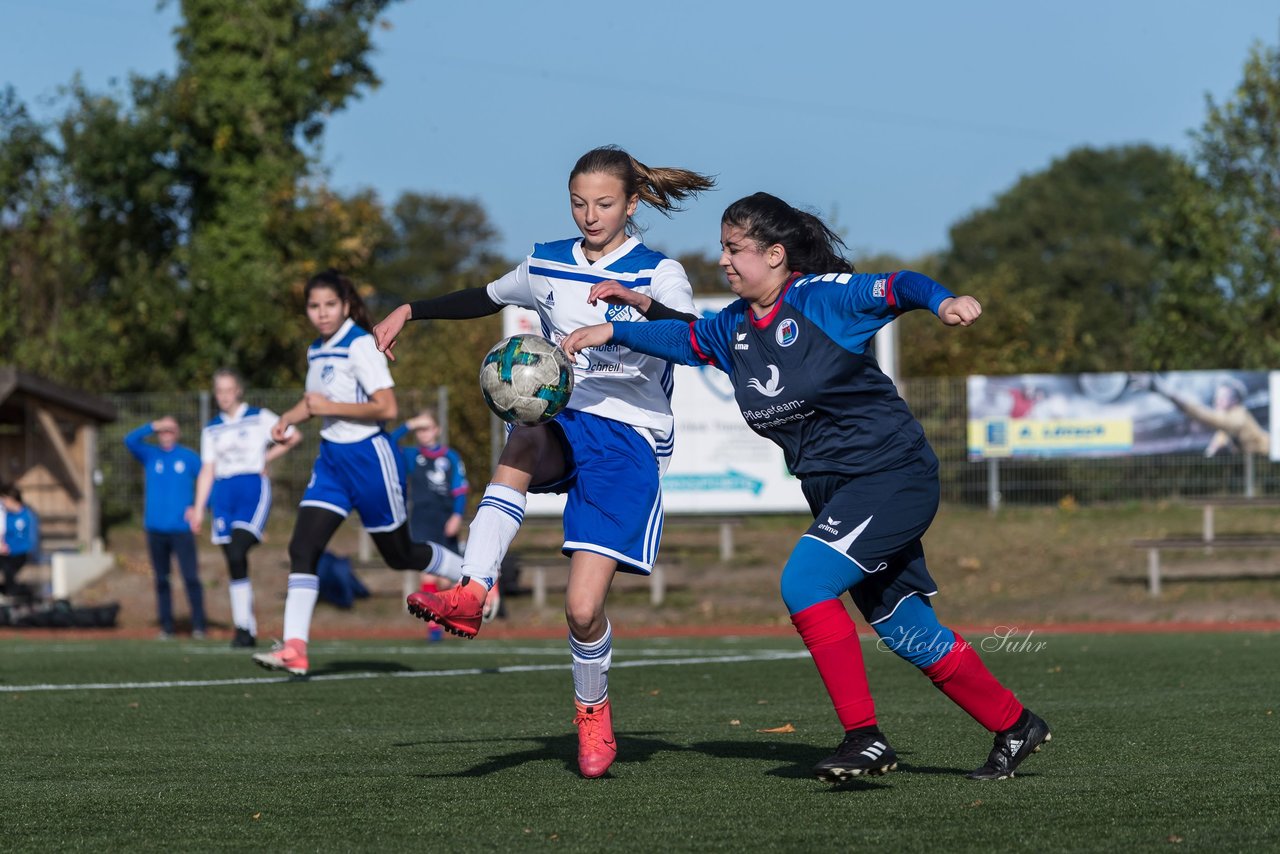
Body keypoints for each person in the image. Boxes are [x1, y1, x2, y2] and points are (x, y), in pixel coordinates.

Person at [562, 191, 1052, 783]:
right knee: (902, 624)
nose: (723, 259)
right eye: (722, 247)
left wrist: (945, 302)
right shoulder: (734, 328)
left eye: (734, 248)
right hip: (837, 491)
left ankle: (864, 739)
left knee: (804, 582)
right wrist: (612, 329)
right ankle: (1015, 724)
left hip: (891, 475)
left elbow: (900, 285)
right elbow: (682, 340)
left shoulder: (822, 300)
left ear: (775, 255)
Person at [371, 145, 714, 778]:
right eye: (579, 203)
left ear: (632, 203)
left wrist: (634, 310)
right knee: (522, 433)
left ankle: (592, 709)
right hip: (565, 419)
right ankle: (474, 588)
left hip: (630, 439)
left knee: (582, 610)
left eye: (605, 204)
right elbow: (484, 294)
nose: (590, 215)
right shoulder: (548, 261)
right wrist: (409, 310)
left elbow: (692, 342)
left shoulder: (657, 273)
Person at [250, 269, 466, 677]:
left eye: (329, 304)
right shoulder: (317, 349)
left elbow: (386, 408)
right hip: (332, 463)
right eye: (314, 306)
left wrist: (324, 408)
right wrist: (288, 420)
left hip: (370, 458)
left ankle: (471, 574)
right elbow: (314, 402)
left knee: (400, 555)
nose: (321, 313)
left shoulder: (360, 345)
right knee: (302, 548)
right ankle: (294, 648)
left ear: (346, 305)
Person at [190, 368, 303, 649]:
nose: (224, 396)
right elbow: (207, 469)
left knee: (239, 549)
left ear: (238, 390)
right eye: (219, 391)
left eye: (229, 390)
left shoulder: (258, 417)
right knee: (233, 559)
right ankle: (244, 628)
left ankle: (245, 627)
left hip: (251, 487)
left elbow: (294, 436)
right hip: (223, 492)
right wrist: (197, 508)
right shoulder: (212, 428)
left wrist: (267, 457)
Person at [124, 416, 208, 639]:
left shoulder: (188, 457)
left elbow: (209, 481)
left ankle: (199, 625)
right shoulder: (151, 455)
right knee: (162, 580)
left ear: (178, 433)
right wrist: (153, 425)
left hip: (181, 529)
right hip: (155, 529)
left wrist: (200, 508)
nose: (166, 434)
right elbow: (129, 440)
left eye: (170, 430)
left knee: (190, 577)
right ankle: (167, 626)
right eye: (163, 431)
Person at [389, 409, 469, 552]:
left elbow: (460, 490)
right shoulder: (412, 455)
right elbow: (387, 443)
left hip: (445, 517)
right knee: (428, 571)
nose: (423, 432)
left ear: (437, 430)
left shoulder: (451, 456)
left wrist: (457, 516)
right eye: (419, 429)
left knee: (448, 569)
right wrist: (410, 424)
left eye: (427, 428)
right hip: (421, 519)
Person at [0, 483, 40, 602]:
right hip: (8, 552)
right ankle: (9, 591)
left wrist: (33, 553)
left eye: (6, 501)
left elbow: (33, 538)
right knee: (7, 573)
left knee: (9, 572)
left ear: (13, 500)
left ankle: (21, 593)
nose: (4, 504)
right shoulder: (6, 516)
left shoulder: (28, 515)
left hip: (21, 553)